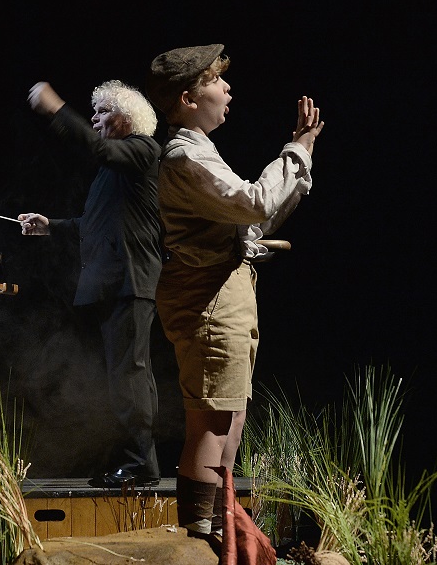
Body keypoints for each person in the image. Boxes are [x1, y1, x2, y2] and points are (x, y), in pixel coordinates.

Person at [145, 44, 324, 545]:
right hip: (207, 297)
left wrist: (299, 158)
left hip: (224, 291)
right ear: (188, 98)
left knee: (230, 416)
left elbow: (254, 218)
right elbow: (256, 202)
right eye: (216, 81)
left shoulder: (200, 150)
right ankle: (200, 539)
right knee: (211, 421)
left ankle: (218, 529)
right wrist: (297, 151)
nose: (228, 89)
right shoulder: (185, 156)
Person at [18, 79, 163, 487]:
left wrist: (57, 108)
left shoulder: (142, 149)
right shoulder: (115, 169)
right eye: (93, 113)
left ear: (127, 117)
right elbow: (96, 224)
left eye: (102, 112)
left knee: (129, 376)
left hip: (129, 280)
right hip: (116, 282)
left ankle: (140, 465)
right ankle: (139, 462)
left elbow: (97, 147)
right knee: (129, 375)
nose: (95, 119)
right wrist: (51, 225)